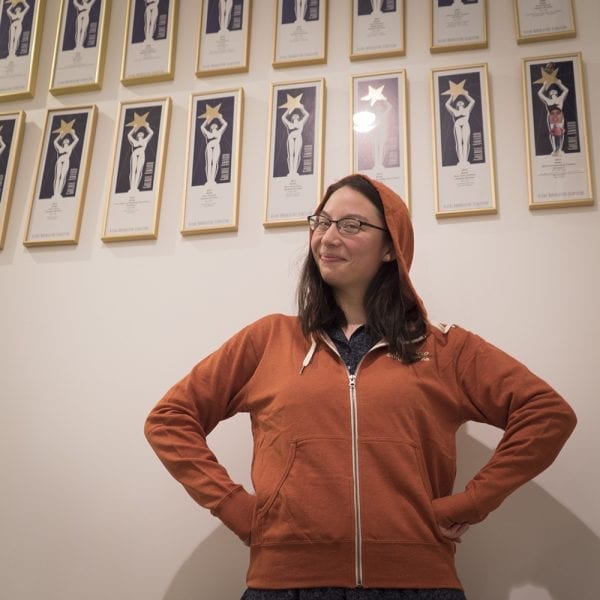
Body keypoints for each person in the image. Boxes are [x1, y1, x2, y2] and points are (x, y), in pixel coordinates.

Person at [145, 173, 576, 598]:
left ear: (391, 247)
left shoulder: (444, 348)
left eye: (351, 225)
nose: (328, 237)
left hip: (418, 584)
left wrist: (474, 502)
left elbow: (546, 414)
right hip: (286, 584)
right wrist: (233, 506)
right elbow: (169, 419)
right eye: (321, 222)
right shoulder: (268, 340)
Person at [537, 79, 569, 156]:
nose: (553, 93)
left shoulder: (559, 99)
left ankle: (559, 149)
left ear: (556, 94)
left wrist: (560, 84)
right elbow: (539, 93)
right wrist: (544, 85)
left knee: (560, 132)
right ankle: (555, 149)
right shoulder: (550, 100)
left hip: (558, 116)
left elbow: (566, 90)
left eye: (554, 92)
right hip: (552, 116)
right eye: (552, 93)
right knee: (553, 133)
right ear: (550, 95)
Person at [445, 91, 475, 166]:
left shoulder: (467, 109)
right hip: (457, 126)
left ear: (464, 104)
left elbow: (472, 101)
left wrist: (466, 95)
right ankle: (461, 160)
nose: (460, 103)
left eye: (461, 102)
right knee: (458, 143)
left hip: (465, 125)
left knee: (465, 143)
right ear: (456, 105)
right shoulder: (454, 111)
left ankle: (465, 160)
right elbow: (447, 104)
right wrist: (451, 97)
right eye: (458, 102)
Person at [281, 104, 309, 176]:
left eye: (297, 115)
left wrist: (302, 108)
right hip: (290, 138)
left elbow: (307, 115)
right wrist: (289, 109)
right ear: (291, 118)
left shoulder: (301, 122)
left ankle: (295, 171)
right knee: (290, 155)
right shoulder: (289, 124)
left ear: (299, 117)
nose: (295, 116)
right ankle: (291, 171)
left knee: (297, 154)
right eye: (293, 115)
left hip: (298, 137)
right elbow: (283, 117)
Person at [200, 114, 228, 185]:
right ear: (210, 127)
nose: (214, 126)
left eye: (215, 125)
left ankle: (212, 180)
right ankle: (208, 180)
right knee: (209, 163)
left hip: (216, 146)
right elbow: (202, 127)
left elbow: (225, 124)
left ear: (217, 127)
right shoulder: (208, 133)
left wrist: (220, 118)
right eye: (212, 125)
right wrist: (207, 120)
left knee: (215, 163)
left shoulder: (219, 132)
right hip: (209, 147)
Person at [127, 124, 153, 192]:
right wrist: (134, 128)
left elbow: (151, 133)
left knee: (139, 171)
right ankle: (132, 187)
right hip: (134, 155)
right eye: (139, 133)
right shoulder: (134, 141)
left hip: (141, 154)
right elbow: (129, 135)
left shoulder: (145, 140)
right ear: (137, 135)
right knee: (133, 171)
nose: (140, 134)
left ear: (143, 135)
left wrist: (147, 126)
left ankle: (135, 187)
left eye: (142, 133)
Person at [53, 131, 79, 198]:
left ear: (69, 142)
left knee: (62, 177)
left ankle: (59, 193)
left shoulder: (70, 147)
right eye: (64, 140)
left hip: (66, 161)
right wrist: (60, 135)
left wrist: (72, 133)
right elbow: (55, 142)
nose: (66, 140)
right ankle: (55, 193)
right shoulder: (60, 148)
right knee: (57, 177)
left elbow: (76, 139)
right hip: (59, 161)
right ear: (63, 142)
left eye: (67, 140)